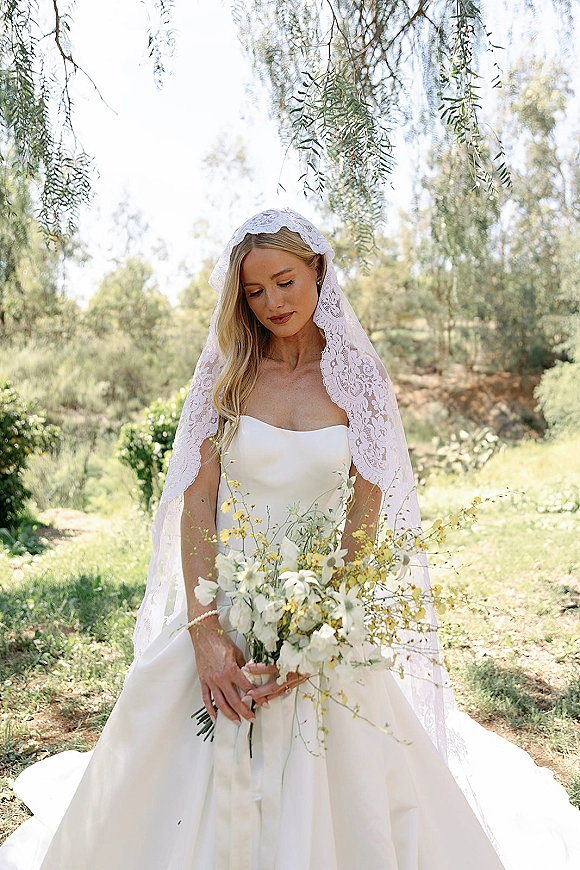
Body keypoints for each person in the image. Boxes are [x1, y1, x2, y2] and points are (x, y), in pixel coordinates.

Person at [1, 208, 579, 870]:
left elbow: (365, 517)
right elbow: (196, 506)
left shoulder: (360, 380)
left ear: (318, 272)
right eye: (254, 291)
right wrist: (205, 634)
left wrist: (318, 631)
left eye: (284, 281)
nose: (272, 302)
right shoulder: (230, 376)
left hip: (322, 609)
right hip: (223, 601)